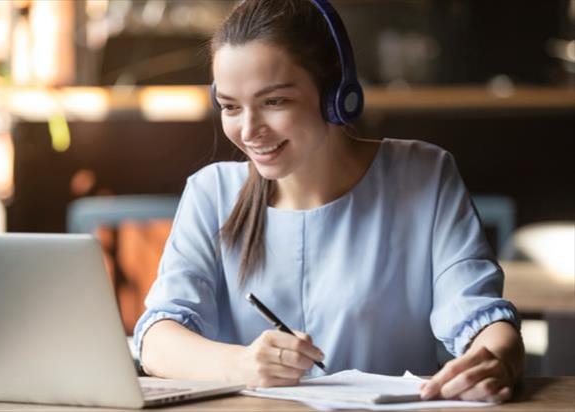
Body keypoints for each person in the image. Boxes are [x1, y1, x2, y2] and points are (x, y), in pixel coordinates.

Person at [134, 0, 524, 403]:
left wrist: (497, 359)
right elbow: (157, 339)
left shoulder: (423, 174)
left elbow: (478, 314)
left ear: (336, 93)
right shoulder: (211, 192)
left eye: (274, 102)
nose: (249, 131)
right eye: (231, 107)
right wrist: (243, 364)